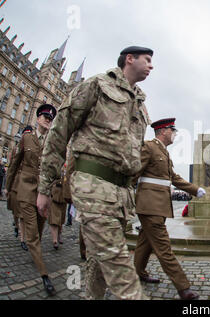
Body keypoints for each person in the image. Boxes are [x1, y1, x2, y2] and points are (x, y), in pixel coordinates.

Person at [36, 46, 153, 300]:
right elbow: (59, 131)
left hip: (121, 195)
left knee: (99, 262)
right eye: (147, 60)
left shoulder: (141, 105)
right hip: (92, 186)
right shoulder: (97, 85)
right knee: (119, 265)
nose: (151, 66)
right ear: (129, 59)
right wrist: (45, 187)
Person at [133, 118, 206, 300]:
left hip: (158, 205)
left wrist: (195, 190)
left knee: (145, 242)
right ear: (163, 131)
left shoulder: (164, 152)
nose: (175, 134)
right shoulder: (149, 147)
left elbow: (174, 178)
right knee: (164, 247)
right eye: (173, 130)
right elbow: (134, 172)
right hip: (150, 206)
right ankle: (183, 288)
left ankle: (138, 272)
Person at [5, 104, 58, 296]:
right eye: (44, 116)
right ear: (38, 119)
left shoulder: (52, 142)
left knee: (40, 226)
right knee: (33, 234)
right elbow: (14, 164)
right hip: (25, 191)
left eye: (50, 118)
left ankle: (33, 250)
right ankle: (45, 276)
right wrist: (8, 188)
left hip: (44, 193)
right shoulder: (26, 138)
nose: (47, 119)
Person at [48, 168, 66, 250]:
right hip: (54, 196)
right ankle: (54, 240)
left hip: (63, 196)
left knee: (61, 220)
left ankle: (59, 234)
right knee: (54, 220)